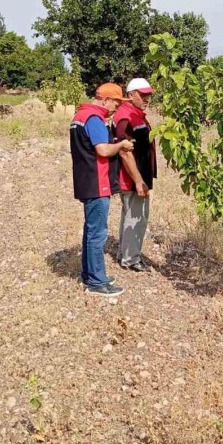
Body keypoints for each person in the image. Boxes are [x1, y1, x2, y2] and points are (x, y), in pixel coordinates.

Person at [69, 83, 132, 296]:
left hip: (85, 180)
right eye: (116, 102)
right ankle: (97, 282)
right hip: (98, 182)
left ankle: (89, 274)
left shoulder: (80, 115)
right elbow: (103, 150)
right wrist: (121, 145)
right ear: (104, 99)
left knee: (90, 230)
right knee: (98, 233)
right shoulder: (94, 119)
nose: (116, 107)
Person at [111, 77, 158, 272]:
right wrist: (139, 181)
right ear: (131, 95)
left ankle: (125, 254)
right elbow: (124, 151)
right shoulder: (126, 117)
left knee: (130, 215)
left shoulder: (135, 114)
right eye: (143, 94)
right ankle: (131, 259)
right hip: (131, 177)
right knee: (137, 217)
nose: (147, 98)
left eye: (148, 95)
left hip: (137, 176)